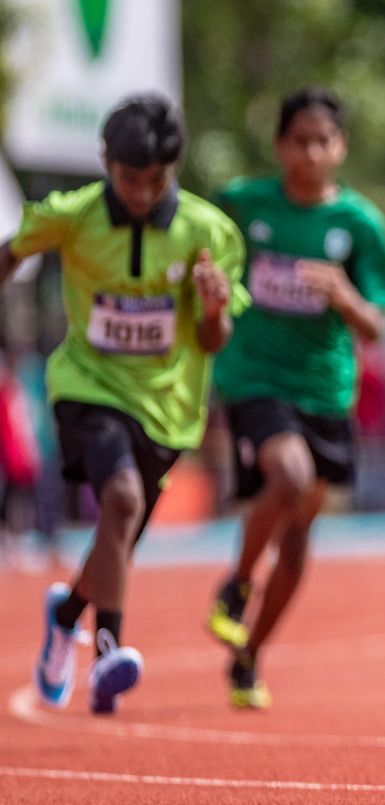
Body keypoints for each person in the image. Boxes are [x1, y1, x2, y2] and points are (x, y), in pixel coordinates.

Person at [22, 94, 247, 714]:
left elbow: (212, 341)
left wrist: (213, 307)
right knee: (120, 502)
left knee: (120, 531)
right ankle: (110, 654)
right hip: (87, 386)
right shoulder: (72, 216)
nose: (143, 193)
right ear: (104, 162)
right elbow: (13, 248)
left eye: (157, 181)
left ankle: (66, 614)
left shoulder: (208, 234)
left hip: (168, 408)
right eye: (129, 179)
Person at [203, 87, 385, 709]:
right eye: (300, 140)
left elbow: (377, 326)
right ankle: (235, 586)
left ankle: (249, 654)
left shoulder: (359, 224)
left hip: (325, 391)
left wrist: (344, 297)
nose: (311, 152)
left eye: (324, 141)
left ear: (339, 147)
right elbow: (196, 251)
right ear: (280, 145)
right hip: (255, 379)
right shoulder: (241, 203)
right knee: (287, 477)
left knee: (298, 540)